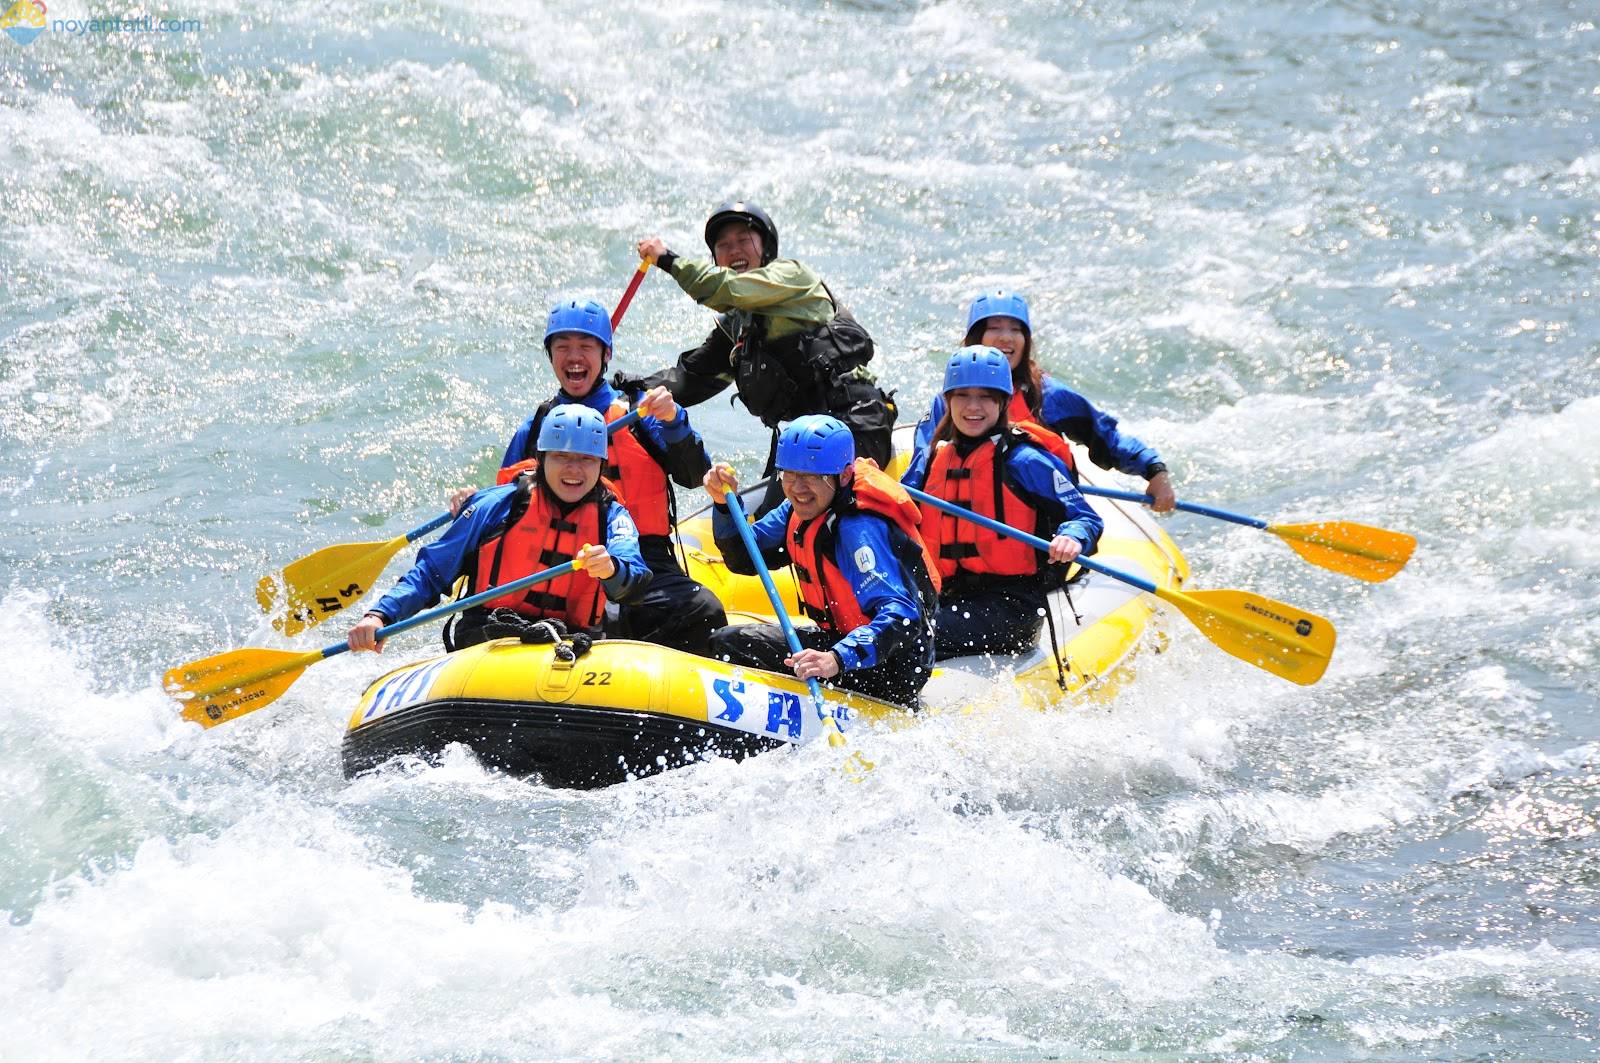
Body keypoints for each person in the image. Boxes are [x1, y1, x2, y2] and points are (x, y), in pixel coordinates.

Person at [449, 298, 725, 654]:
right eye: (562, 347)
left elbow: (693, 474)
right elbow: (503, 513)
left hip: (643, 556)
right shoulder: (537, 428)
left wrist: (674, 420)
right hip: (563, 562)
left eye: (585, 347)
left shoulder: (642, 412)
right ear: (551, 357)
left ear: (606, 354)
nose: (574, 357)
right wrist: (469, 505)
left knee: (703, 611)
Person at [627, 200, 897, 497]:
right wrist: (628, 391)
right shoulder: (739, 329)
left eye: (744, 240)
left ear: (766, 249)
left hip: (855, 427)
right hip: (803, 444)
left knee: (815, 520)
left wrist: (668, 259)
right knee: (744, 539)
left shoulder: (793, 278)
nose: (733, 250)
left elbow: (727, 289)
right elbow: (690, 379)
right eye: (723, 245)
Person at [349, 405, 651, 654]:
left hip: (572, 642)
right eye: (561, 457)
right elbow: (431, 572)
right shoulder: (494, 505)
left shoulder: (612, 516)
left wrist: (612, 570)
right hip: (491, 634)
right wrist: (380, 615)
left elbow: (635, 579)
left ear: (601, 464)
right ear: (542, 458)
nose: (574, 469)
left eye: (586, 459)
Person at [702, 415, 939, 708]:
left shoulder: (859, 531)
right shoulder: (798, 509)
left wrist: (836, 659)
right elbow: (744, 556)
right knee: (728, 640)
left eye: (813, 477)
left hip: (889, 667)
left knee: (730, 645)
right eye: (790, 474)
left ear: (843, 475)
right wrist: (725, 505)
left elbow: (903, 617)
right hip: (842, 642)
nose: (798, 488)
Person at [902, 346, 1105, 662]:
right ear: (948, 401)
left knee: (905, 637)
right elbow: (898, 509)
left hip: (1011, 608)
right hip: (947, 596)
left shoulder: (1024, 460)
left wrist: (1072, 536)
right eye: (963, 396)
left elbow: (1084, 517)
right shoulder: (935, 460)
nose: (973, 406)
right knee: (879, 626)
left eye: (985, 396)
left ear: (1003, 402)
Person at [913, 290, 1177, 512]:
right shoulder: (951, 402)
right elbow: (920, 463)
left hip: (1034, 524)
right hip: (967, 519)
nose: (1006, 337)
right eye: (994, 328)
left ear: (1026, 341)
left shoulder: (1046, 394)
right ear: (975, 338)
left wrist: (1154, 469)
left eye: (1016, 329)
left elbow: (1105, 436)